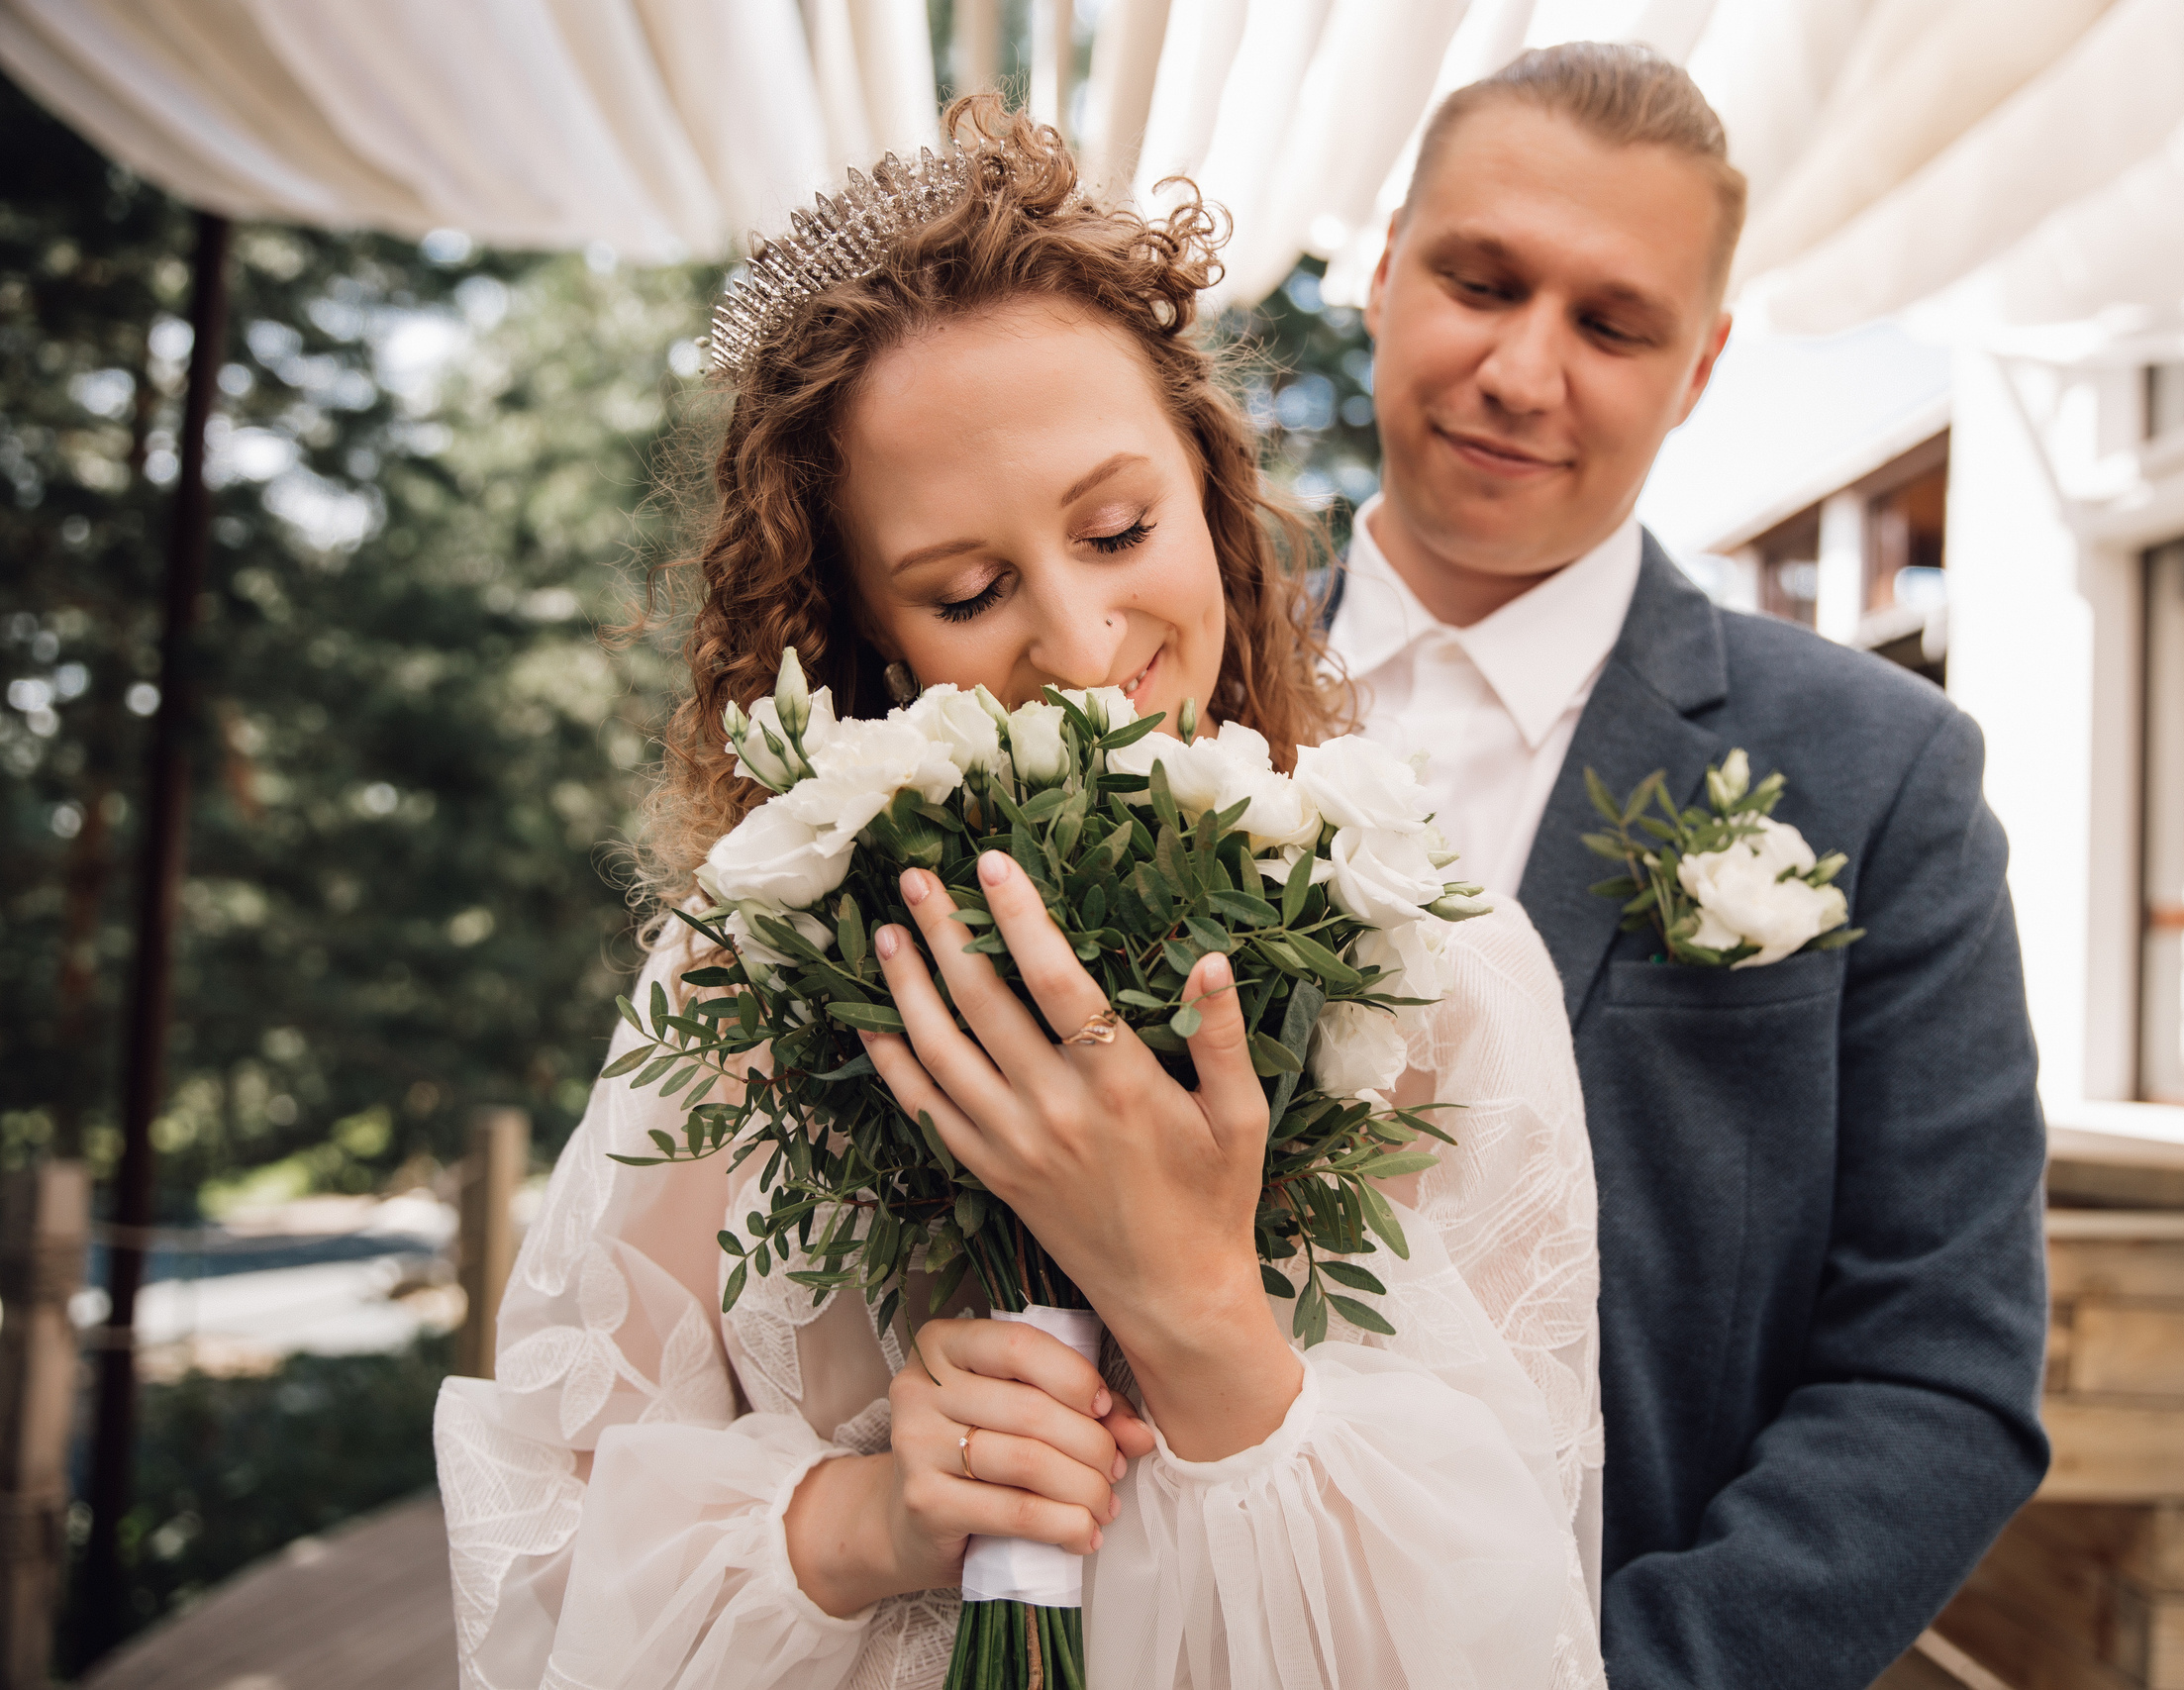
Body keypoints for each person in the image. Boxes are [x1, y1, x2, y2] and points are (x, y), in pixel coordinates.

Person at [434, 101, 1606, 1690]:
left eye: (1120, 528)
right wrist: (868, 1522)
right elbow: (537, 1553)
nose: (1079, 638)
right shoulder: (748, 982)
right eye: (969, 590)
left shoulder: (1440, 967)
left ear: (1213, 495)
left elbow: (1516, 1619)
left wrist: (1195, 1313)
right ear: (862, 630)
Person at [1328, 43, 2050, 1689]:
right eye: (1481, 280)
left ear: (1701, 365)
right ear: (1383, 271)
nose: (1521, 371)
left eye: (1610, 323)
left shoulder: (1882, 773)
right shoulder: (1141, 691)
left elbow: (1938, 1368)